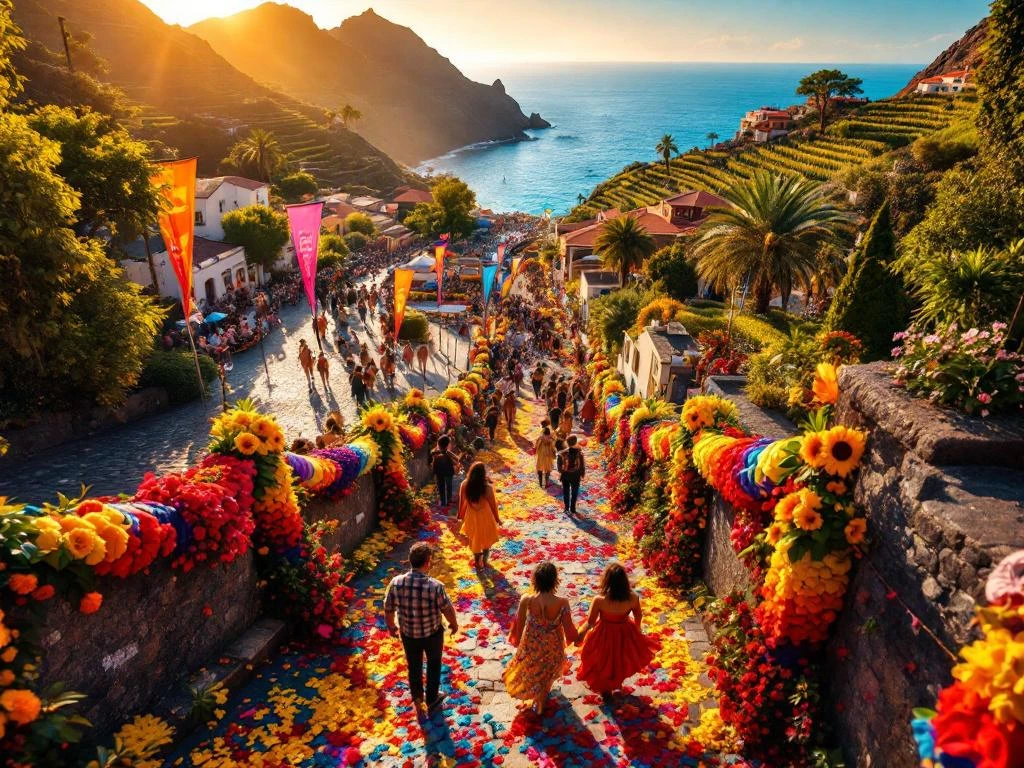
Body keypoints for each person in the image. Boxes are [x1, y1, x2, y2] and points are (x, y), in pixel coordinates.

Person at [384, 542, 458, 714]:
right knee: (433, 664)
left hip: (409, 634)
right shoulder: (435, 586)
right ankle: (432, 697)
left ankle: (417, 697)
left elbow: (389, 608)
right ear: (427, 562)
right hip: (432, 634)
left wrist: (391, 627)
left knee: (414, 666)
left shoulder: (396, 583)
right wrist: (454, 624)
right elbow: (447, 609)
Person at [503, 562, 579, 714]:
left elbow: (519, 628)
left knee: (534, 670)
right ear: (555, 580)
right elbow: (570, 632)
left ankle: (538, 698)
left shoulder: (527, 600)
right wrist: (583, 631)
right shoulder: (562, 603)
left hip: (532, 645)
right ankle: (541, 700)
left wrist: (519, 644)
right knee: (548, 671)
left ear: (535, 580)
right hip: (553, 646)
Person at [576, 563, 659, 701]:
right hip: (624, 632)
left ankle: (606, 688)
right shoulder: (632, 598)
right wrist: (637, 629)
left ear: (606, 580)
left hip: (604, 633)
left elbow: (590, 622)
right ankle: (615, 682)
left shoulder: (599, 600)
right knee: (619, 659)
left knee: (603, 660)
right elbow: (638, 615)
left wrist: (580, 634)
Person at [457, 461, 501, 569]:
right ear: (483, 474)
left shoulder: (465, 484)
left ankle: (477, 560)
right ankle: (485, 561)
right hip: (485, 516)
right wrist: (497, 519)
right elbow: (493, 506)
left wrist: (460, 515)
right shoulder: (487, 488)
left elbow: (462, 502)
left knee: (474, 538)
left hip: (471, 516)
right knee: (486, 539)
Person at [557, 435, 585, 516]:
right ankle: (573, 508)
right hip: (576, 476)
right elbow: (582, 466)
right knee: (574, 492)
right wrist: (581, 474)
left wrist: (564, 471)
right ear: (575, 442)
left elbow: (559, 468)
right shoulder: (579, 453)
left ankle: (566, 508)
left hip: (565, 476)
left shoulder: (562, 454)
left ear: (567, 442)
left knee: (566, 492)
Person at [431, 435, 459, 509]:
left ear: (439, 444)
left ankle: (443, 502)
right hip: (448, 472)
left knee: (441, 487)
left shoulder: (434, 453)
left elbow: (433, 462)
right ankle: (448, 500)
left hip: (439, 473)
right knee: (449, 486)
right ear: (447, 445)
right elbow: (457, 459)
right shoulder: (448, 453)